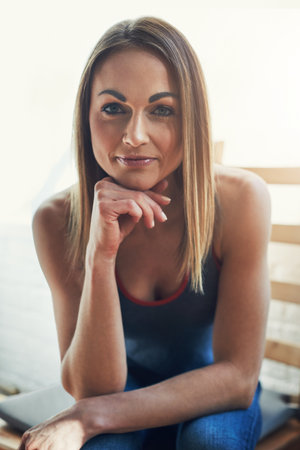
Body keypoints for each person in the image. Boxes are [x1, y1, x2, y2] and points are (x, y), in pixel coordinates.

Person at [19, 16, 271, 450]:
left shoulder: (240, 200)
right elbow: (93, 386)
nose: (134, 136)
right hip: (119, 388)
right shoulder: (56, 219)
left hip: (211, 386)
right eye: (114, 108)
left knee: (209, 444)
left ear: (191, 117)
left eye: (162, 109)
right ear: (86, 117)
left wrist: (90, 417)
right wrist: (100, 254)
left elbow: (238, 378)